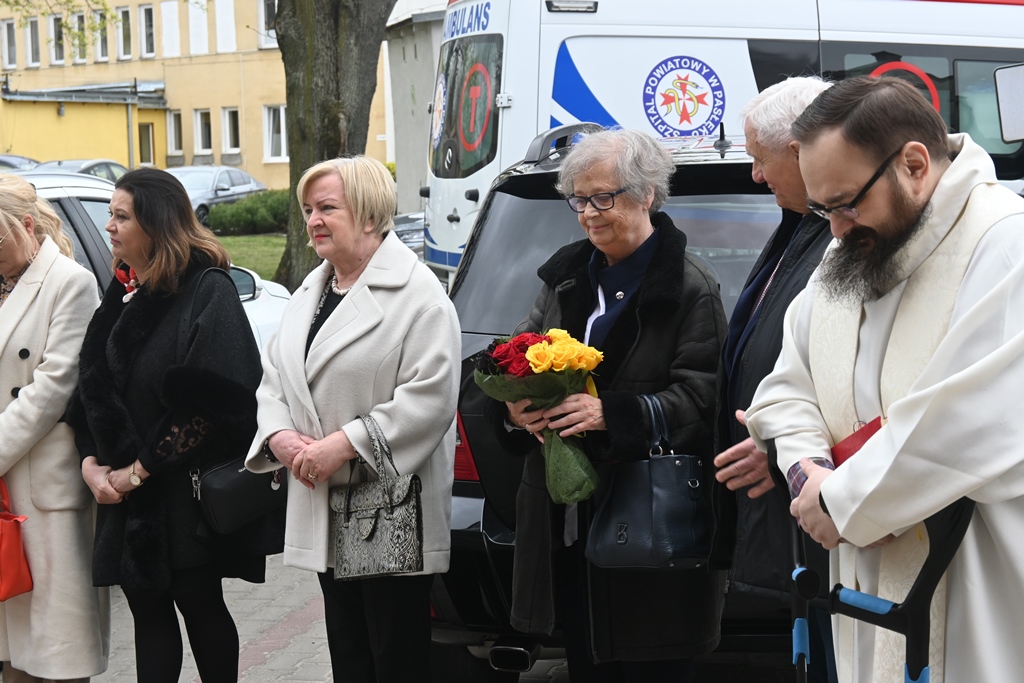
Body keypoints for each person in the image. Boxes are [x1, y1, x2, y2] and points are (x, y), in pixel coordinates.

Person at [745, 76, 1024, 683]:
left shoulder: (1007, 245)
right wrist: (809, 474)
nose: (835, 229)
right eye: (822, 210)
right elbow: (787, 388)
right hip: (861, 580)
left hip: (974, 582)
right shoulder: (854, 245)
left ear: (915, 164)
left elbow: (969, 424)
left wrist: (842, 503)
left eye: (846, 203)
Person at [500, 128, 727, 682]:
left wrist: (613, 415)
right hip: (570, 525)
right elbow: (517, 356)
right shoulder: (565, 275)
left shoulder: (690, 287)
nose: (588, 214)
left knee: (653, 666)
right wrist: (514, 410)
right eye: (578, 200)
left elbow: (704, 400)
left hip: (648, 524)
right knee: (587, 662)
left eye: (603, 197)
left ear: (647, 194)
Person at [244, 156, 460, 683]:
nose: (313, 220)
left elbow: (430, 397)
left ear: (368, 214)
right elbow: (275, 376)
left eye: (327, 208)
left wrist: (344, 444)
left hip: (389, 508)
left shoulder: (419, 295)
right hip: (323, 498)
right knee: (349, 651)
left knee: (394, 657)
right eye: (307, 210)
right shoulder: (312, 289)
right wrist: (280, 437)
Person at [65, 168, 274, 683]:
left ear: (156, 224)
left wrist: (138, 471)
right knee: (147, 614)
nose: (108, 226)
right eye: (110, 214)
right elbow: (91, 386)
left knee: (199, 605)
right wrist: (92, 464)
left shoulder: (207, 289)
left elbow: (215, 405)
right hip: (126, 497)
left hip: (181, 494)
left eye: (121, 216)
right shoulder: (123, 289)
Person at [712, 76, 838, 683]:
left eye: (760, 159)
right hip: (797, 516)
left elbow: (855, 385)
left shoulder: (838, 236)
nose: (756, 176)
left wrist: (786, 452)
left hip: (825, 513)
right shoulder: (803, 225)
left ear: (798, 149)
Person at [0, 175, 108, 682]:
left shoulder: (70, 282)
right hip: (7, 481)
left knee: (57, 648)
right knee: (12, 651)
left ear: (25, 225)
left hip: (43, 487)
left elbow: (52, 388)